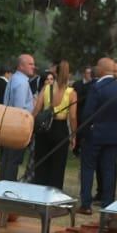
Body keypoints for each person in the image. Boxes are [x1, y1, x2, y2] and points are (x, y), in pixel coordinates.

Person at [77, 57, 117, 213]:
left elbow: (88, 114)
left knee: (88, 168)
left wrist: (84, 133)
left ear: (101, 69)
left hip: (94, 134)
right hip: (112, 135)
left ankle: (86, 204)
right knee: (108, 169)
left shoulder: (96, 87)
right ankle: (108, 203)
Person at [30, 60, 76, 190]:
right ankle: (53, 195)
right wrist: (73, 135)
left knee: (41, 164)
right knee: (58, 166)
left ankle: (38, 193)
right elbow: (72, 117)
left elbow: (36, 110)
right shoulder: (71, 93)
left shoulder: (46, 88)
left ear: (55, 73)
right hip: (60, 129)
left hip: (44, 129)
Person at [0, 54, 36, 181]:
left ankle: (2, 185)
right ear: (21, 66)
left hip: (7, 124)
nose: (34, 67)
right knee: (13, 160)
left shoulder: (14, 79)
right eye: (30, 64)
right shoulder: (22, 83)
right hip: (17, 127)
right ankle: (8, 187)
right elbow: (19, 110)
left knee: (6, 159)